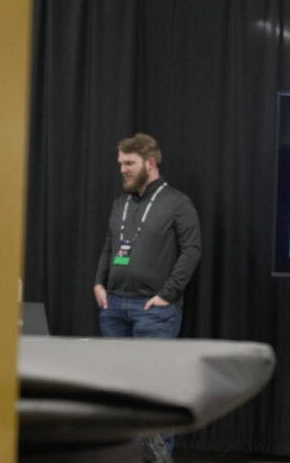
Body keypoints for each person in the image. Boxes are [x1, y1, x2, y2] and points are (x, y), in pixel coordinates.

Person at [93, 133, 201, 456]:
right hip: (113, 308)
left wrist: (167, 294)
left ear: (150, 163)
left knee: (154, 390)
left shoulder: (177, 203)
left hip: (153, 310)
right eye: (120, 164)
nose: (122, 170)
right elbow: (110, 246)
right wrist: (99, 282)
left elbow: (192, 251)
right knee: (120, 393)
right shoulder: (120, 203)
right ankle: (123, 455)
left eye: (129, 163)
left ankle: (158, 457)